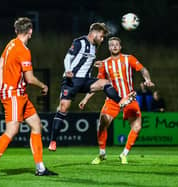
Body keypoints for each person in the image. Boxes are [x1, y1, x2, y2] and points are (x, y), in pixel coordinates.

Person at [0, 17, 57, 178]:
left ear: (16, 31)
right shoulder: (23, 50)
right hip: (14, 95)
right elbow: (30, 79)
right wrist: (43, 85)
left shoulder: (11, 44)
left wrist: (2, 87)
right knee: (12, 129)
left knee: (36, 125)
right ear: (30, 31)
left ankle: (40, 168)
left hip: (18, 94)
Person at [48, 23, 133, 151]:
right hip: (72, 80)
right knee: (63, 108)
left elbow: (85, 60)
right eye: (102, 36)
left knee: (104, 82)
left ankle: (120, 101)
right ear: (94, 32)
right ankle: (53, 141)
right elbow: (68, 57)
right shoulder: (79, 42)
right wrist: (68, 70)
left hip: (86, 81)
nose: (102, 39)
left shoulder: (94, 47)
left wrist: (96, 63)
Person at [79, 37, 154, 164]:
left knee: (137, 126)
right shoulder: (104, 64)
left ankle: (124, 154)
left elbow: (143, 69)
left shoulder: (129, 58)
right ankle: (102, 154)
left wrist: (147, 79)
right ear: (109, 48)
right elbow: (98, 84)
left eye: (116, 45)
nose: (114, 46)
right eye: (111, 45)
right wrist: (85, 99)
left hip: (129, 98)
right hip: (112, 99)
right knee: (102, 122)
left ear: (120, 47)